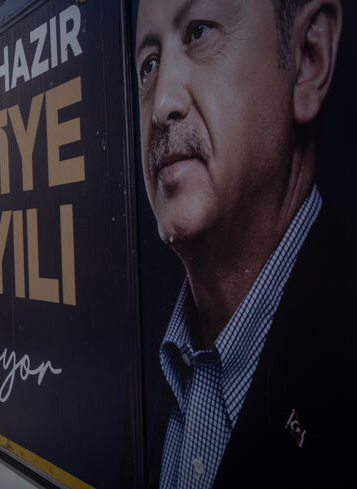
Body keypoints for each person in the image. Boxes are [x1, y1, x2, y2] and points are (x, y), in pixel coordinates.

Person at [135, 0, 349, 487]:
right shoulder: (144, 387)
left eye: (199, 32)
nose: (163, 101)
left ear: (308, 57)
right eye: (148, 64)